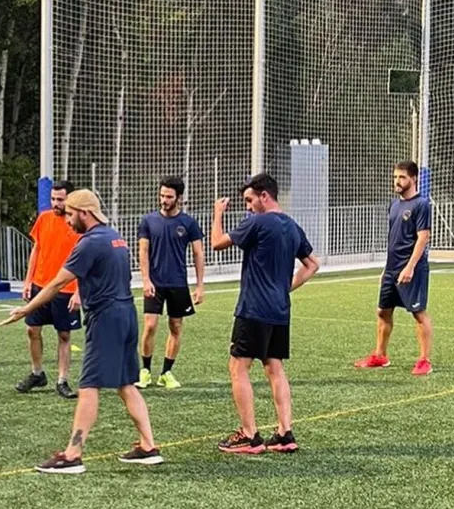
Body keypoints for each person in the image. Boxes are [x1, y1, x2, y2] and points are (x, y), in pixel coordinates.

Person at [1, 189, 164, 474]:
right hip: (126, 315)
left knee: (89, 385)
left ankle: (72, 455)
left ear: (84, 213)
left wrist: (26, 310)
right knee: (125, 383)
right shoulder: (115, 238)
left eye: (70, 214)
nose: (66, 220)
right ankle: (148, 447)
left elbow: (54, 284)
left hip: (107, 319)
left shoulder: (89, 243)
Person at [211, 173, 320, 454]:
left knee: (238, 367)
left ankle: (249, 435)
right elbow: (312, 265)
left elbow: (217, 243)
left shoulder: (257, 222)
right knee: (274, 368)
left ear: (264, 196)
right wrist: (285, 288)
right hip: (279, 311)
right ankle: (285, 433)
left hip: (254, 309)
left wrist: (217, 213)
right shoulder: (292, 227)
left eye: (249, 200)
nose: (247, 206)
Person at [354, 161, 434, 375]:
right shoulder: (394, 204)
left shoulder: (422, 204)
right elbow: (393, 238)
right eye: (395, 177)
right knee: (382, 311)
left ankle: (424, 360)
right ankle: (380, 356)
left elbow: (423, 237)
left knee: (418, 313)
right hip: (392, 268)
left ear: (414, 178)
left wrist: (410, 267)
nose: (397, 181)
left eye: (402, 177)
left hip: (412, 269)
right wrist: (386, 269)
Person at [136, 177, 205, 390]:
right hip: (154, 283)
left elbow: (198, 253)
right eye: (162, 195)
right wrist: (145, 279)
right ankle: (145, 370)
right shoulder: (148, 221)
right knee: (150, 325)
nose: (164, 200)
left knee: (176, 327)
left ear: (179, 198)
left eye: (169, 197)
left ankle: (166, 372)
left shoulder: (189, 223)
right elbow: (143, 251)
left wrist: (200, 285)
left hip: (178, 283)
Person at [16, 180, 82, 399]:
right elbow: (37, 249)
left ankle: (62, 380)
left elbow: (85, 261)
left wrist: (78, 292)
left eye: (60, 200)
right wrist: (28, 281)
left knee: (64, 334)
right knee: (32, 330)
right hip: (40, 286)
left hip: (66, 288)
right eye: (53, 199)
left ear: (69, 200)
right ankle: (37, 373)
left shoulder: (77, 224)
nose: (56, 203)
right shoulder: (44, 218)